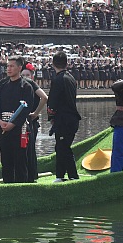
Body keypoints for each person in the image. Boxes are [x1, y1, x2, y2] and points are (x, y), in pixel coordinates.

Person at [0, 56, 34, 183]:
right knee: (6, 161)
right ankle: (7, 188)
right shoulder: (3, 86)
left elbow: (27, 109)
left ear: (19, 68)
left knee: (20, 162)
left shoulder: (26, 87)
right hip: (3, 127)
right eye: (7, 66)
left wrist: (13, 123)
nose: (8, 69)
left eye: (12, 66)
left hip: (19, 129)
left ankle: (22, 189)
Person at [46, 51, 81, 182]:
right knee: (60, 146)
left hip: (63, 119)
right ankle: (60, 175)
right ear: (67, 63)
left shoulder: (57, 79)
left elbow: (52, 102)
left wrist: (51, 116)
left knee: (63, 147)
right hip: (72, 118)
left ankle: (73, 176)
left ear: (53, 64)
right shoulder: (71, 78)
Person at [21, 63, 48, 182]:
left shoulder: (32, 84)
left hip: (31, 121)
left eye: (27, 75)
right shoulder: (21, 84)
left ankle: (31, 176)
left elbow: (44, 98)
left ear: (32, 76)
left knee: (30, 149)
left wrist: (36, 113)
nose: (25, 77)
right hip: (23, 120)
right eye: (23, 75)